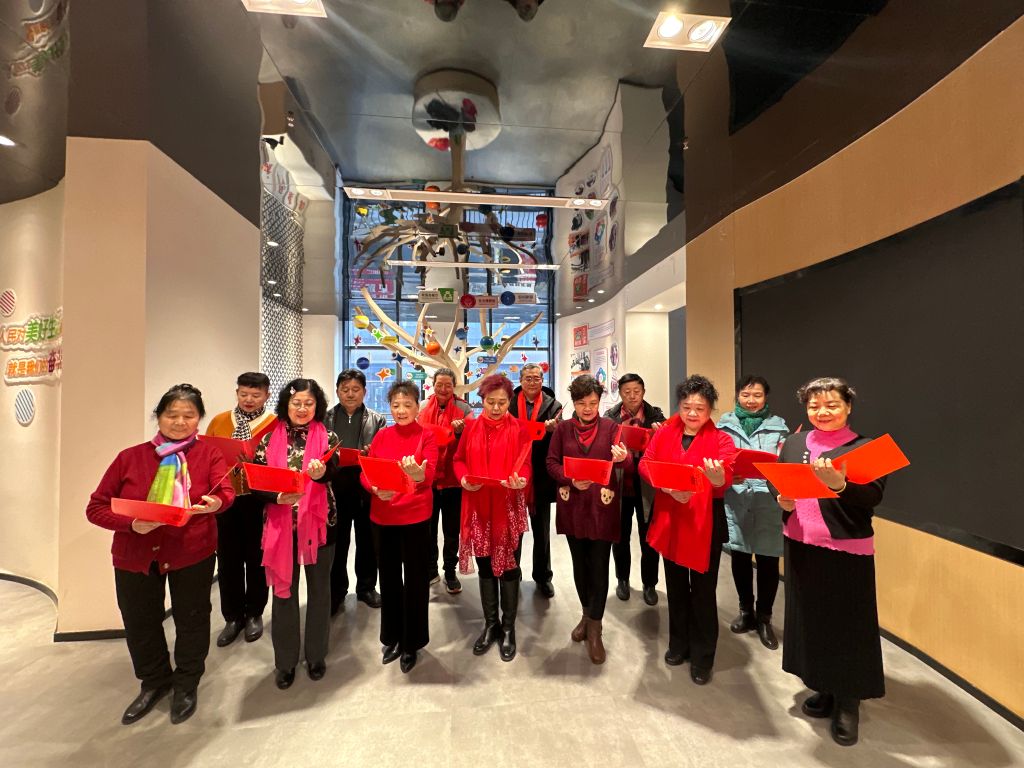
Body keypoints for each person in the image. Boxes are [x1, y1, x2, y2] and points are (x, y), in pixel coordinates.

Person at [86, 384, 234, 725]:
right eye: (172, 415)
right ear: (158, 417)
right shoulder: (130, 457)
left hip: (191, 550)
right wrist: (131, 524)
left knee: (192, 618)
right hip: (135, 554)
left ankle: (186, 683)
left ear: (199, 419)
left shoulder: (208, 454)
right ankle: (153, 681)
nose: (180, 422)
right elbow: (96, 508)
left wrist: (216, 503)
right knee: (139, 621)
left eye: (188, 416)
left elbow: (224, 492)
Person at [772, 377, 887, 748]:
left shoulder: (866, 447)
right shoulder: (793, 443)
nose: (822, 412)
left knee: (848, 625)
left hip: (846, 548)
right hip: (800, 542)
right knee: (812, 621)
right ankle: (822, 685)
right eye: (814, 405)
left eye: (832, 405)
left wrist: (840, 485)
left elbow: (873, 496)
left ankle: (848, 702)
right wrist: (782, 501)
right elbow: (780, 483)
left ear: (848, 407)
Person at [639, 375, 736, 686]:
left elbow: (726, 478)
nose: (692, 413)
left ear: (710, 409)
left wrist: (717, 477)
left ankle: (703, 656)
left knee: (704, 593)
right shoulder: (665, 433)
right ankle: (678, 644)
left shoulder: (721, 440)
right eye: (686, 407)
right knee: (676, 587)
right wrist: (667, 487)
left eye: (700, 408)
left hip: (704, 522)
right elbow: (646, 464)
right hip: (671, 517)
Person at [250, 378, 340, 690]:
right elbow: (256, 482)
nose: (302, 409)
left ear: (318, 406)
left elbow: (335, 470)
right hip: (280, 527)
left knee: (320, 592)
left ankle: (316, 655)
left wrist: (322, 473)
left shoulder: (328, 436)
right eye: (296, 403)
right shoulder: (267, 439)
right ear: (286, 405)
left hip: (319, 525)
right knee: (284, 593)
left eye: (308, 403)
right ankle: (285, 662)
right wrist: (276, 497)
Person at [545, 374, 628, 664]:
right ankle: (586, 615)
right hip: (574, 506)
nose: (588, 408)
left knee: (599, 567)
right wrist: (569, 478)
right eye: (582, 403)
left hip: (602, 507)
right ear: (574, 403)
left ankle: (595, 629)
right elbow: (551, 463)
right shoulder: (563, 430)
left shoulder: (612, 428)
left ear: (599, 401)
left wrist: (623, 458)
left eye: (593, 403)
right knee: (580, 566)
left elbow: (627, 463)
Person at [453, 374, 532, 661]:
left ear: (510, 401)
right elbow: (458, 460)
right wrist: (464, 479)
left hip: (508, 506)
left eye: (502, 402)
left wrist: (521, 480)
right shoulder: (471, 427)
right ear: (482, 401)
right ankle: (491, 624)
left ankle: (508, 627)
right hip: (478, 506)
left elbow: (526, 465)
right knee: (485, 566)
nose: (496, 408)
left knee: (509, 567)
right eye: (490, 402)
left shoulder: (520, 429)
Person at [362, 381, 439, 673]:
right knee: (389, 579)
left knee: (416, 581)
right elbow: (366, 471)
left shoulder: (426, 436)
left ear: (418, 407)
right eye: (396, 405)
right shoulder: (382, 435)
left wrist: (418, 475)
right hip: (383, 517)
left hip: (415, 517)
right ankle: (392, 637)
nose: (401, 410)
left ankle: (412, 642)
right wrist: (373, 488)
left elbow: (430, 475)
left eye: (407, 405)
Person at [204, 372, 276, 647]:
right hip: (225, 498)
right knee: (228, 559)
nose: (249, 399)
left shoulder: (275, 424)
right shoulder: (219, 421)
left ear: (267, 395)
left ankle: (255, 612)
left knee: (257, 557)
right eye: (244, 394)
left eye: (256, 395)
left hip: (258, 498)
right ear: (237, 393)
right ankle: (232, 616)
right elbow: (205, 455)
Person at [717, 375, 789, 650]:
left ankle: (764, 618)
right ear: (737, 396)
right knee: (740, 557)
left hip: (768, 501)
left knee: (768, 561)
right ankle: (745, 611)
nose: (751, 400)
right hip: (737, 498)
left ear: (765, 397)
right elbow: (716, 460)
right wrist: (727, 474)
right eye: (746, 395)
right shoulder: (723, 426)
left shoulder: (779, 427)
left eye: (757, 395)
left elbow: (785, 463)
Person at [325, 368, 387, 613]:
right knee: (337, 542)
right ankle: (336, 590)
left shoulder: (377, 419)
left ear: (364, 392)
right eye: (345, 389)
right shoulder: (325, 418)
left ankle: (366, 588)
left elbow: (384, 454)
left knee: (367, 540)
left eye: (355, 389)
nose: (350, 394)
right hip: (334, 485)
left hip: (365, 484)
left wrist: (373, 453)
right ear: (337, 391)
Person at [603, 372, 665, 606]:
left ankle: (650, 583)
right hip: (620, 483)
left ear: (643, 392)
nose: (632, 396)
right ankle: (622, 579)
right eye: (627, 392)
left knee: (649, 536)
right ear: (620, 393)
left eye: (636, 391)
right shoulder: (610, 418)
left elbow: (667, 450)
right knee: (619, 536)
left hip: (647, 485)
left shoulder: (656, 416)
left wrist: (660, 436)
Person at [509, 362, 562, 598]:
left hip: (541, 475)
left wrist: (554, 430)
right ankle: (513, 572)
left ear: (542, 380)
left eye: (536, 378)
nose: (532, 382)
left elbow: (560, 440)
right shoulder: (509, 403)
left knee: (541, 531)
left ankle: (543, 576)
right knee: (514, 529)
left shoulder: (554, 406)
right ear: (520, 381)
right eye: (527, 378)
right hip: (514, 473)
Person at [418, 367, 472, 595]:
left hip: (453, 480)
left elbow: (471, 443)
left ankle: (450, 571)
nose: (443, 389)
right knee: (428, 529)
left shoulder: (464, 409)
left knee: (451, 530)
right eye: (439, 384)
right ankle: (430, 570)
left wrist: (459, 433)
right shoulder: (422, 407)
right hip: (428, 480)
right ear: (433, 385)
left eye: (447, 385)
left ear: (454, 386)